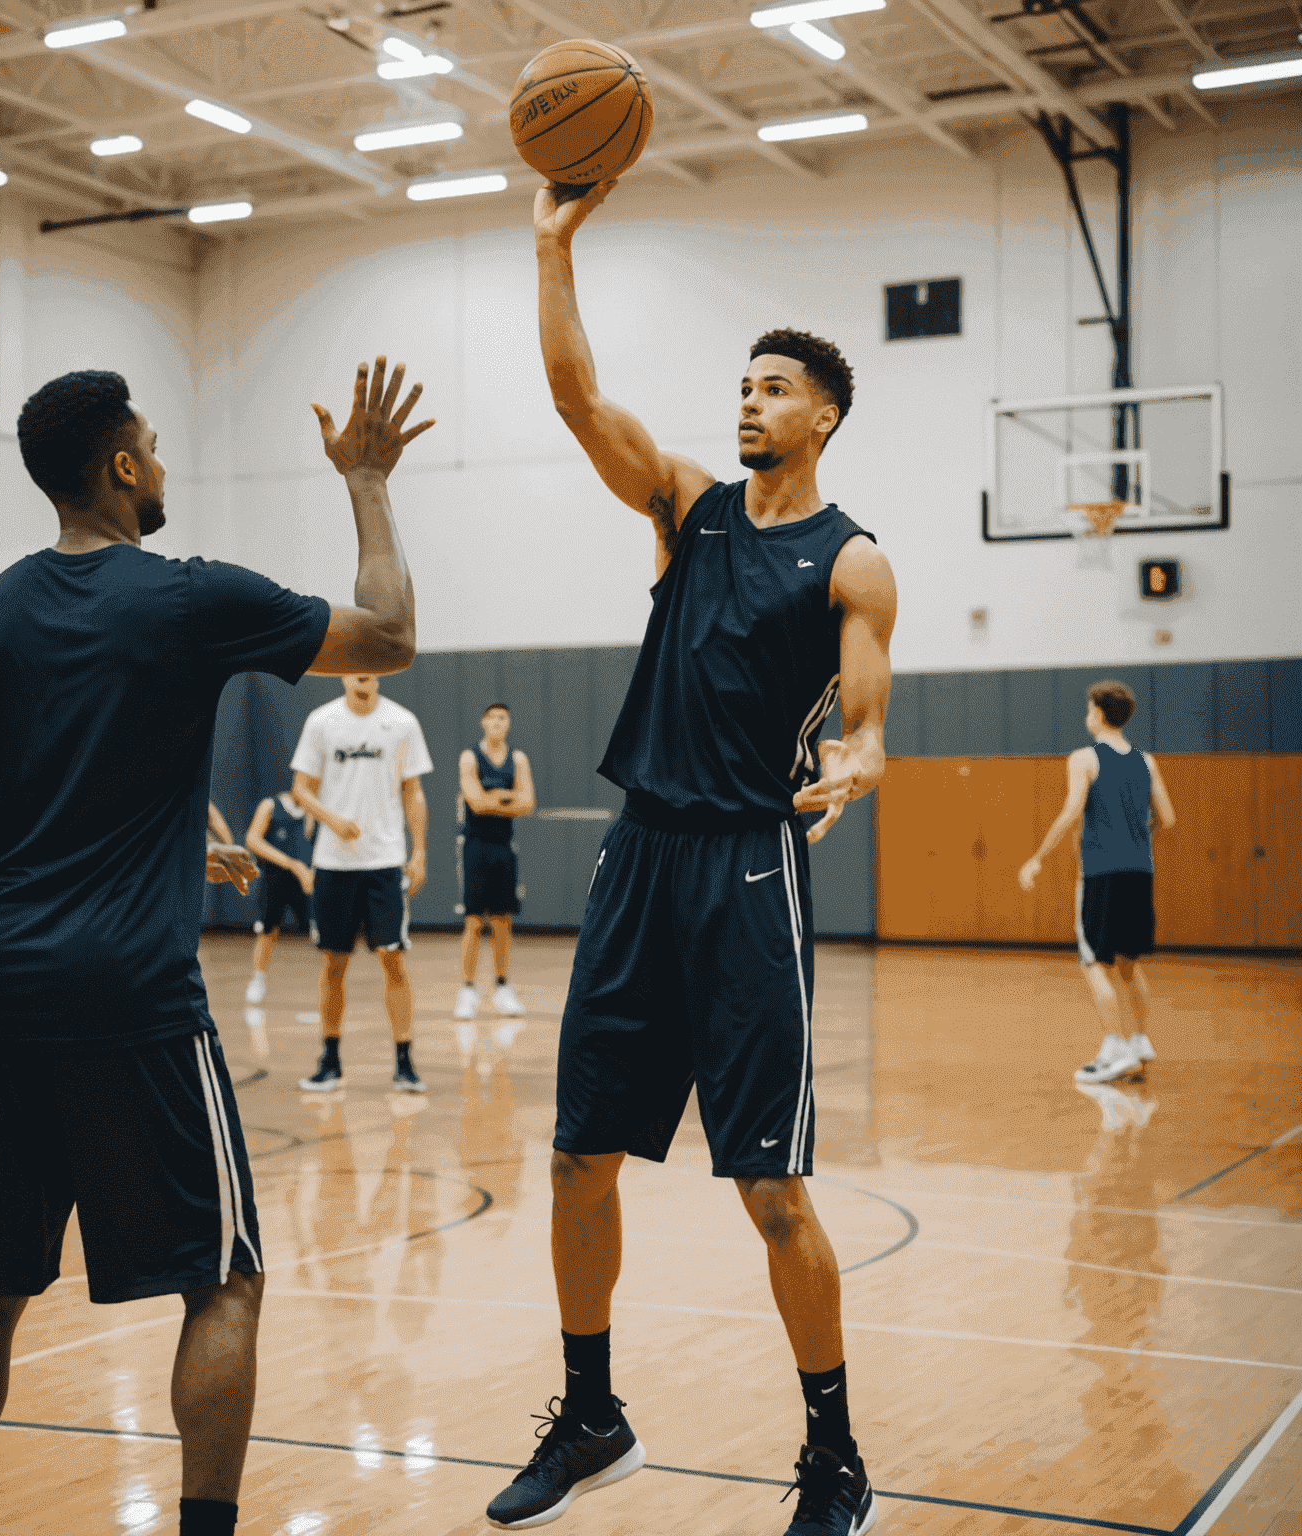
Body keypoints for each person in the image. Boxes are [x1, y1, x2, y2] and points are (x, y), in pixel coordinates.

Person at [0, 354, 432, 1536]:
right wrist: (369, 481)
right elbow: (387, 633)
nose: (165, 463)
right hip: (134, 996)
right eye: (157, 447)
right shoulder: (188, 597)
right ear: (124, 468)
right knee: (223, 1281)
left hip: (6, 993)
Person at [482, 181, 896, 1536]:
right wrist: (552, 248)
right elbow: (574, 396)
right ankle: (591, 1414)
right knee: (576, 1160)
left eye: (774, 388)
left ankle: (834, 1457)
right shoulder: (687, 509)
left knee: (771, 1188)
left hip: (749, 873)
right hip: (639, 861)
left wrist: (863, 759)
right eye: (742, 385)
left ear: (824, 414)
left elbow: (870, 712)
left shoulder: (853, 562)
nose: (749, 403)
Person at [1019, 680, 1175, 1086]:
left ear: (1099, 714)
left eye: (1089, 710)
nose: (1086, 716)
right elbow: (1167, 818)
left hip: (1102, 872)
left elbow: (1072, 811)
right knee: (1129, 962)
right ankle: (1140, 1041)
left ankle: (1114, 1047)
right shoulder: (1146, 760)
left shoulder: (1085, 758)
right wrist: (1139, 839)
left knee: (1093, 961)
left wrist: (1037, 858)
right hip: (1140, 871)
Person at [290, 673, 433, 1093]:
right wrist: (332, 820)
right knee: (334, 963)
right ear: (343, 673)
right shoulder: (321, 721)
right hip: (333, 863)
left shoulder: (402, 721)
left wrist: (419, 850)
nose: (362, 673)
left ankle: (404, 1061)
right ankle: (330, 1059)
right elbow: (301, 789)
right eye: (354, 666)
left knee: (393, 959)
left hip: (384, 860)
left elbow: (414, 791)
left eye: (370, 665)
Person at [454, 703, 535, 1021]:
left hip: (504, 847)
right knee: (474, 921)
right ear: (483, 722)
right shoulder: (470, 757)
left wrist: (493, 798)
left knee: (503, 920)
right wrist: (507, 797)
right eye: (492, 717)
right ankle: (467, 990)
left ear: (509, 724)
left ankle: (502, 988)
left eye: (503, 718)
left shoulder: (518, 759)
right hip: (475, 846)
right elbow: (475, 801)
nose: (498, 722)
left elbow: (528, 802)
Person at [243, 790, 315, 1004]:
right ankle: (258, 978)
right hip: (275, 879)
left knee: (321, 931)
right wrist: (291, 864)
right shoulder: (270, 805)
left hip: (307, 879)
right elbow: (253, 840)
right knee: (268, 931)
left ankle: (325, 986)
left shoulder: (316, 810)